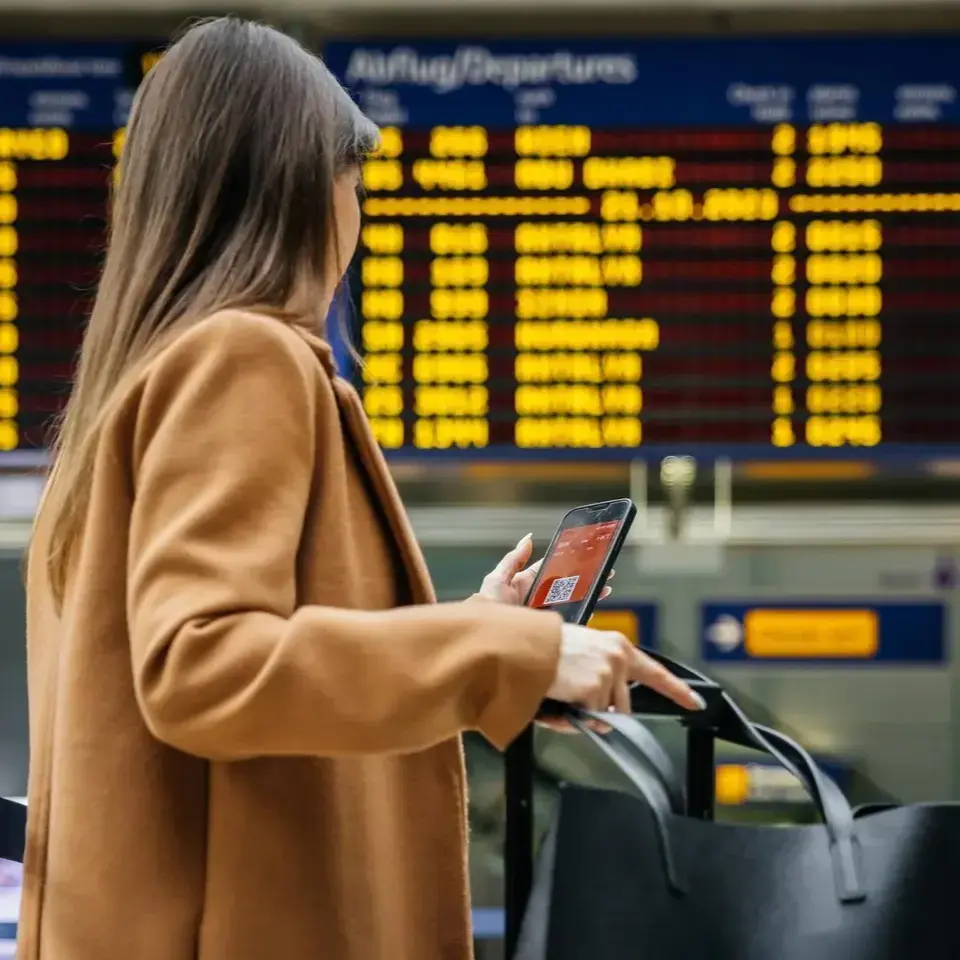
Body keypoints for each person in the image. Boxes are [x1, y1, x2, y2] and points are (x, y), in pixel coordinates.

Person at [18, 17, 703, 960]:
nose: (362, 215)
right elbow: (203, 667)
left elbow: (213, 662)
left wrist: (469, 626)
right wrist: (496, 653)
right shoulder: (242, 354)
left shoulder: (124, 394)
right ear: (297, 187)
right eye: (354, 181)